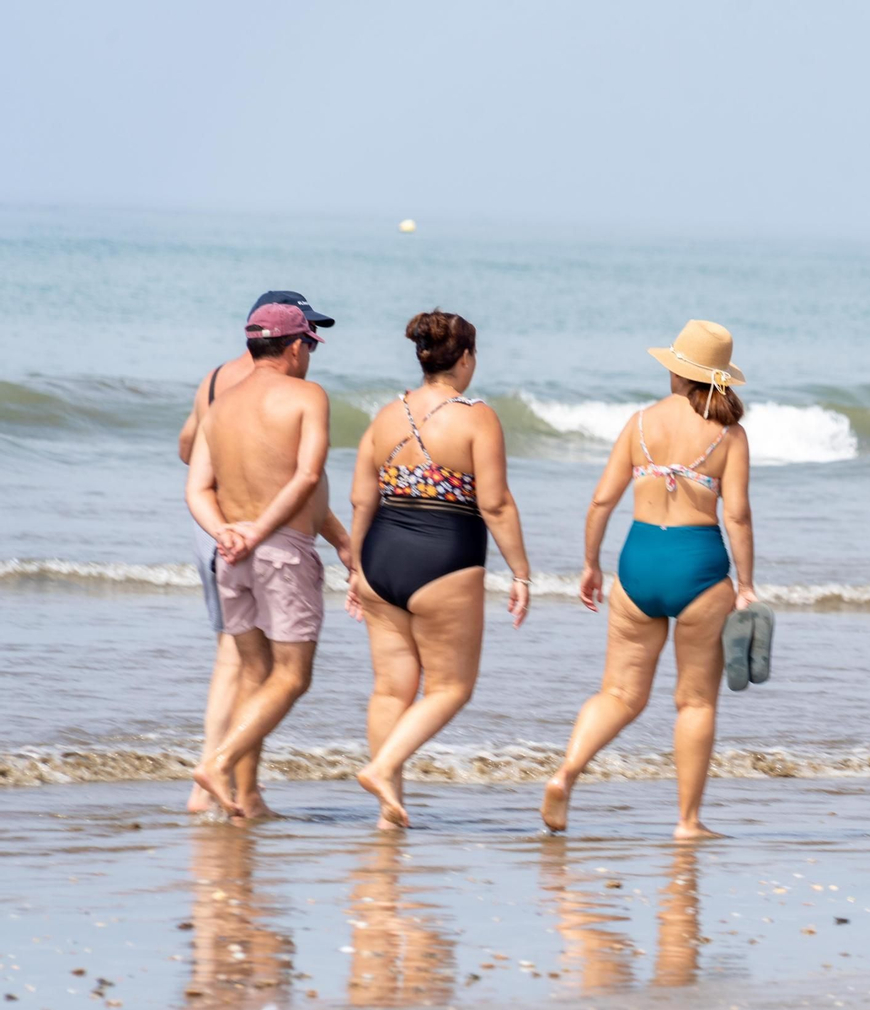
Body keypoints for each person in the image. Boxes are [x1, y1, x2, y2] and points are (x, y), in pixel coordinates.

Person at [541, 320, 756, 839]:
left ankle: (567, 772)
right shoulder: (729, 434)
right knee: (695, 702)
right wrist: (747, 584)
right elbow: (738, 516)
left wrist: (590, 564)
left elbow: (601, 501)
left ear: (677, 372)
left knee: (618, 693)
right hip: (699, 566)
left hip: (638, 563)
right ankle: (687, 822)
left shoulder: (639, 423)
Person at [346, 310, 531, 829]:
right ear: (465, 358)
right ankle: (382, 769)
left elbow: (361, 499)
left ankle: (389, 811)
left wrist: (356, 569)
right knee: (450, 688)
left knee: (390, 690)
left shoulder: (386, 414)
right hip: (444, 558)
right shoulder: (477, 417)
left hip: (380, 556)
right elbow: (495, 504)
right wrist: (520, 572)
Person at [178, 291, 349, 815]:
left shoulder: (220, 404)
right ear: (295, 347)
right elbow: (308, 476)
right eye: (309, 346)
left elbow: (196, 488)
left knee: (255, 673)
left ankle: (248, 797)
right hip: (282, 549)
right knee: (293, 675)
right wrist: (261, 532)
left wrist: (227, 533)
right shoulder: (308, 396)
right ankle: (218, 764)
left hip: (231, 554)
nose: (309, 356)